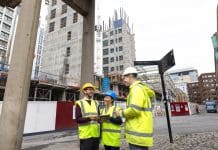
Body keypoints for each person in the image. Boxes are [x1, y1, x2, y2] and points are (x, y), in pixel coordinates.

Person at [115, 67, 155, 150]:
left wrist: (120, 112)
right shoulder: (141, 89)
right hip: (140, 131)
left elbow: (134, 110)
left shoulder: (136, 89)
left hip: (137, 133)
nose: (123, 80)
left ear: (130, 76)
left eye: (124, 78)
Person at [75, 83, 100, 150]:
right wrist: (89, 118)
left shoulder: (96, 103)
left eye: (92, 90)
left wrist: (102, 118)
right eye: (89, 89)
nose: (91, 91)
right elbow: (78, 119)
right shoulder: (79, 103)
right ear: (84, 91)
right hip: (85, 135)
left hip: (95, 134)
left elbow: (99, 118)